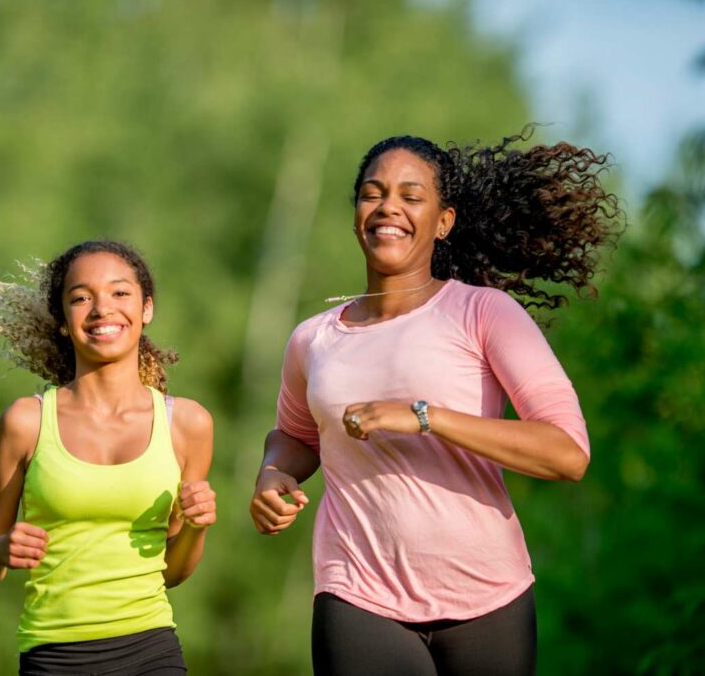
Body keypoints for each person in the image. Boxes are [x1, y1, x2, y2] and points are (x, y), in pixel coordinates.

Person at [248, 130, 621, 676]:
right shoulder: (313, 338)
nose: (388, 208)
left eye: (410, 195)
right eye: (372, 193)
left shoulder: (484, 313)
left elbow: (567, 453)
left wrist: (427, 418)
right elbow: (297, 437)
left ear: (443, 221)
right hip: (357, 592)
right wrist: (272, 474)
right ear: (355, 212)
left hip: (488, 599)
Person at [0, 240, 216, 676]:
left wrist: (196, 528)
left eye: (120, 293)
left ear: (147, 308)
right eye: (81, 297)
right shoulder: (26, 422)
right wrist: (3, 550)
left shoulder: (188, 424)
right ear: (65, 321)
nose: (102, 308)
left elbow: (171, 573)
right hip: (53, 658)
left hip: (152, 652)